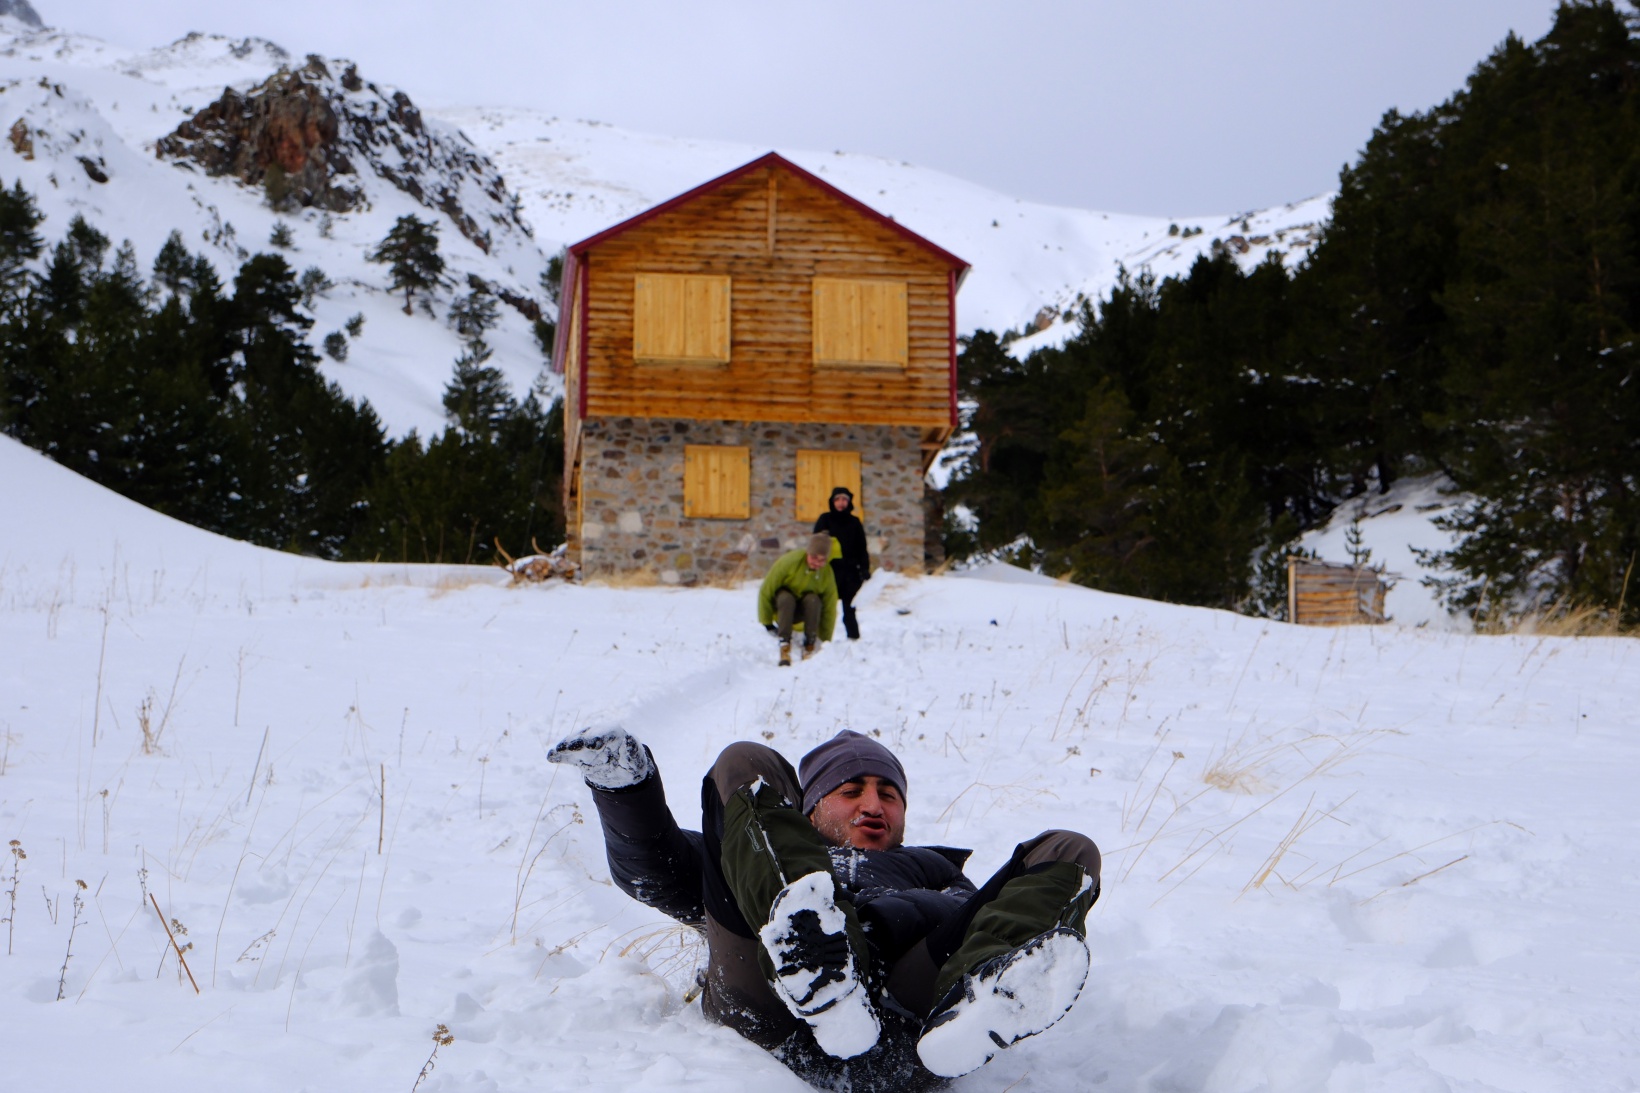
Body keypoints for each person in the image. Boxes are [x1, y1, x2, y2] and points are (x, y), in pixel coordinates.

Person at [548, 725, 1102, 1091]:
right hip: (769, 1003)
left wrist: (876, 924)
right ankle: (814, 957)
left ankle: (976, 1011)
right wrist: (626, 789)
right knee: (746, 761)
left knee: (1070, 852)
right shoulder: (755, 849)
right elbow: (654, 870)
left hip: (904, 1026)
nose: (872, 804)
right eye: (852, 789)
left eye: (889, 794)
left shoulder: (934, 867)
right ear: (810, 811)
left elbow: (966, 917)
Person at [757, 533, 839, 666]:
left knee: (813, 600)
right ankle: (784, 642)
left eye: (822, 560)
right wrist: (767, 622)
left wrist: (825, 639)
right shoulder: (789, 562)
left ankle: (810, 643)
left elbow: (829, 606)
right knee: (786, 598)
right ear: (808, 553)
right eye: (814, 558)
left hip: (806, 610)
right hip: (783, 607)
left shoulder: (827, 574)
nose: (817, 563)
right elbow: (767, 590)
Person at [812, 487, 870, 640]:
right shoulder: (825, 519)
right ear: (832, 501)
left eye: (844, 499)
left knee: (849, 610)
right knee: (823, 607)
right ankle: (817, 638)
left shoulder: (855, 523)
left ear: (849, 502)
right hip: (829, 570)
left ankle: (854, 639)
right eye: (837, 499)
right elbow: (816, 544)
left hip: (850, 573)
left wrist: (864, 569)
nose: (841, 503)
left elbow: (862, 548)